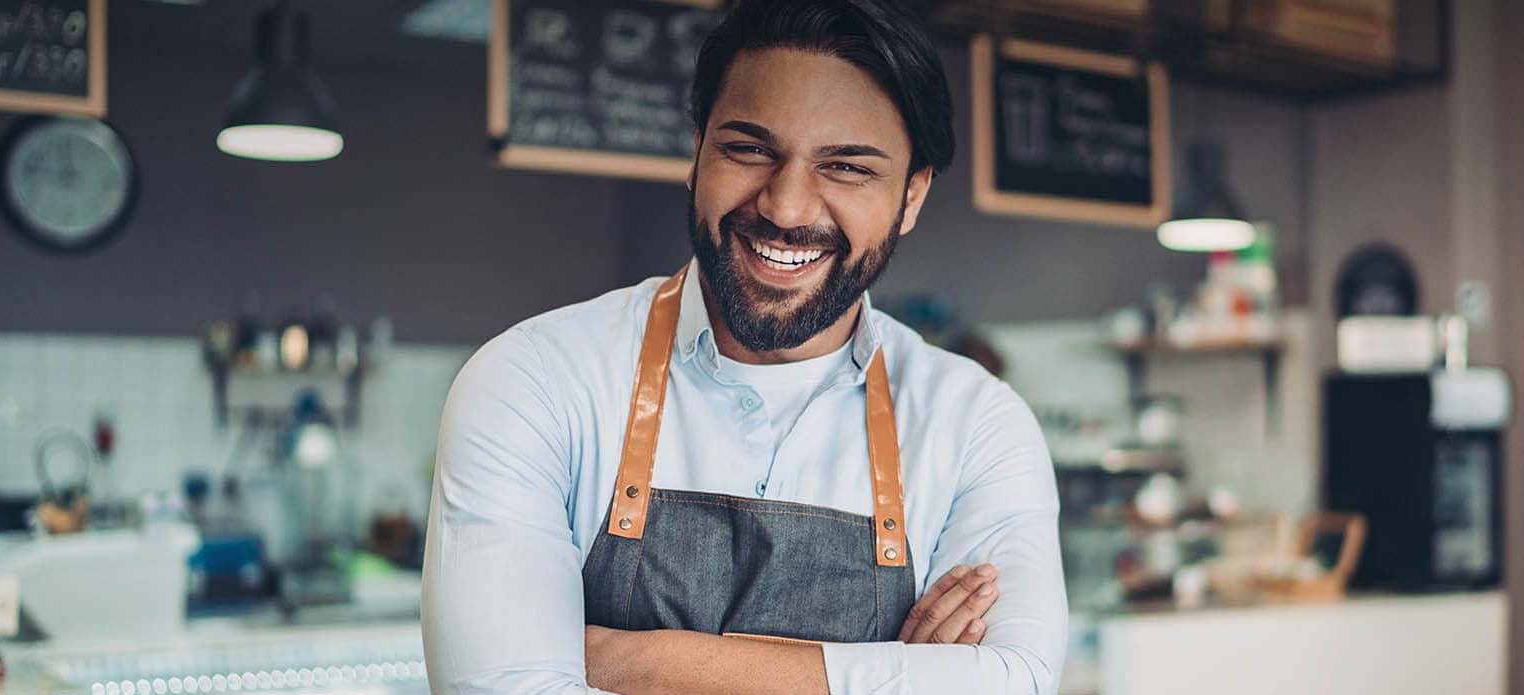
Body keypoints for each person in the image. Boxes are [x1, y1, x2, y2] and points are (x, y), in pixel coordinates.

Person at [421, 1, 1066, 692]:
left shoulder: (975, 425)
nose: (786, 208)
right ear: (697, 152)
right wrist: (905, 675)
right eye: (750, 149)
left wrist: (635, 660)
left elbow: (1012, 679)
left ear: (912, 196)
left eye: (847, 167)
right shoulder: (535, 381)